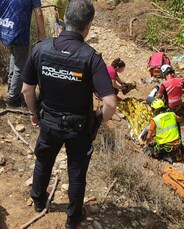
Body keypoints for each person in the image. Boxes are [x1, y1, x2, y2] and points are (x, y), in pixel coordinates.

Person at [21, 1, 117, 228]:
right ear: (88, 26)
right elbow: (110, 103)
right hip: (79, 128)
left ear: (65, 21)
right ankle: (73, 218)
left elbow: (26, 89)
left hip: (49, 121)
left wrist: (34, 113)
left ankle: (38, 200)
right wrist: (97, 120)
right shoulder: (91, 58)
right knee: (76, 173)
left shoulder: (41, 48)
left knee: (43, 161)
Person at [0, 0, 45, 107]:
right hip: (19, 34)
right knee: (20, 67)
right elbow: (38, 13)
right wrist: (42, 35)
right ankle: (13, 99)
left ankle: (11, 90)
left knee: (14, 58)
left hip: (5, 30)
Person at [144, 98, 184, 164]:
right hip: (176, 144)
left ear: (155, 110)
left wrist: (146, 144)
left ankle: (165, 155)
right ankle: (175, 154)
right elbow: (180, 120)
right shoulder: (172, 114)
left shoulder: (155, 120)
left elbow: (149, 136)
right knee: (177, 123)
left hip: (164, 145)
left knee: (151, 151)